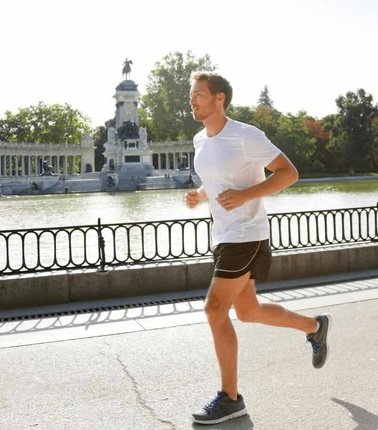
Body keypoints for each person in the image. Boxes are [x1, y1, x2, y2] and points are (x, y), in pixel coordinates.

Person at [185, 71, 332, 425]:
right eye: (191, 95)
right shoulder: (199, 139)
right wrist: (200, 194)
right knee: (247, 311)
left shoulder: (245, 134)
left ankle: (230, 398)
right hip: (224, 235)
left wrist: (246, 196)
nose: (192, 100)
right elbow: (218, 179)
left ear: (220, 98)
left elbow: (288, 173)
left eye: (199, 94)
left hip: (247, 233)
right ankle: (315, 327)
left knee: (215, 309)